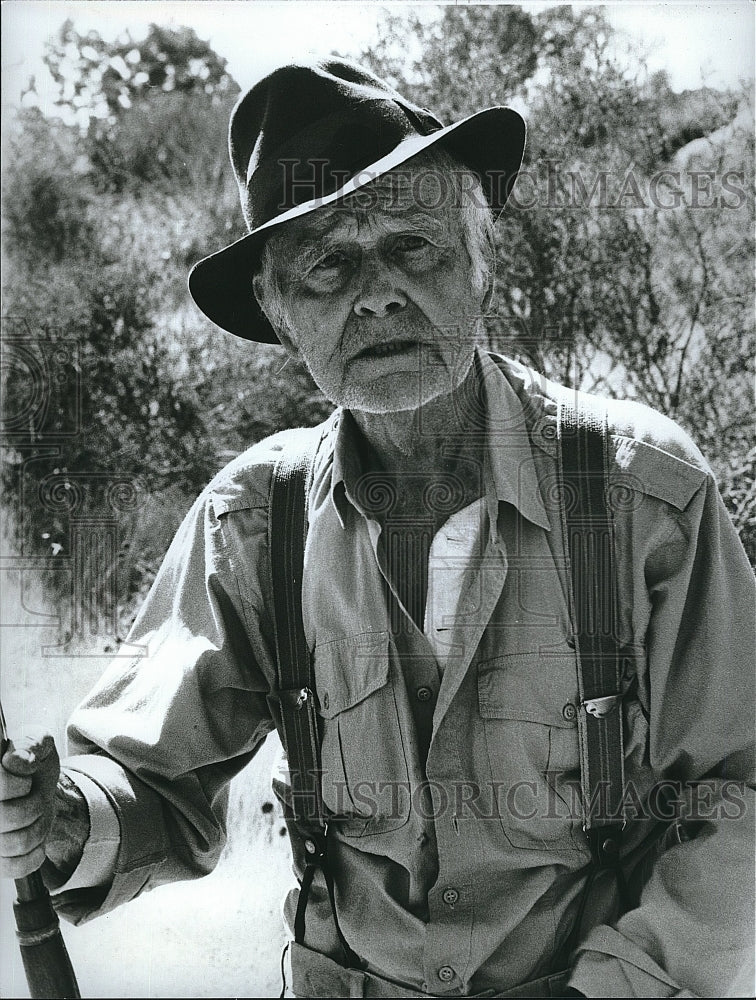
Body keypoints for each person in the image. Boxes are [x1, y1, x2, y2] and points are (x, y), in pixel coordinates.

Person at [1, 59, 754, 999]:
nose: (377, 294)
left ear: (480, 262)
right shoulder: (254, 523)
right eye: (327, 264)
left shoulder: (645, 498)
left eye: (414, 246)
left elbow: (737, 794)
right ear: (276, 311)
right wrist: (69, 819)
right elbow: (149, 782)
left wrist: (620, 984)